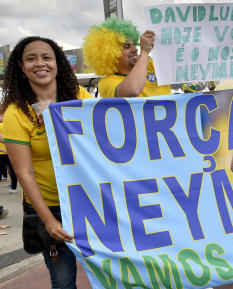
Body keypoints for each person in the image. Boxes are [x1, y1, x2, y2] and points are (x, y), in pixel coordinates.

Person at [1, 36, 92, 289]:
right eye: (31, 58)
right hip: (50, 209)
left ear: (57, 63)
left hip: (89, 203)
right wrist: (49, 221)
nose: (40, 64)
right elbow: (24, 174)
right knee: (63, 282)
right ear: (21, 66)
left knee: (109, 274)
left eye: (46, 57)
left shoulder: (78, 95)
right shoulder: (15, 113)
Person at [83, 17, 171, 98]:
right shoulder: (107, 83)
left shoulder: (152, 66)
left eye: (134, 45)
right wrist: (144, 52)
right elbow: (133, 90)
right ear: (111, 53)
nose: (135, 50)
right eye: (127, 46)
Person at [0, 115, 18, 193]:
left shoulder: (9, 125)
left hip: (8, 152)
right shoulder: (11, 125)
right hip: (6, 152)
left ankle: (13, 187)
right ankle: (13, 187)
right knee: (12, 170)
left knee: (12, 170)